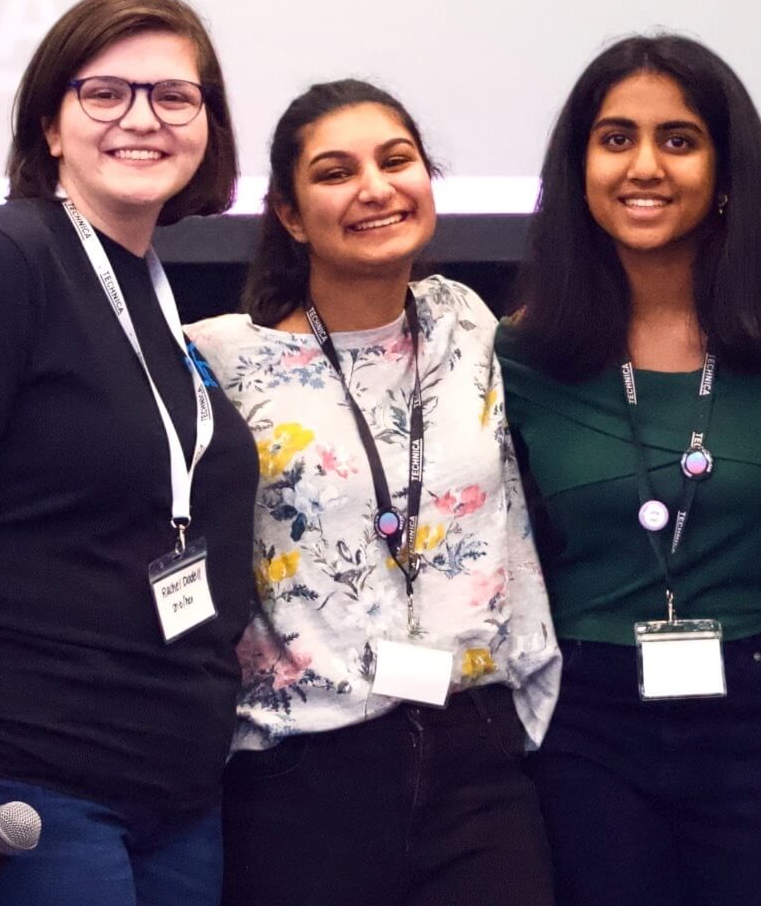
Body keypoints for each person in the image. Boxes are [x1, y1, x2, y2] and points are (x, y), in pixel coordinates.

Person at [0, 0, 257, 906]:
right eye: (104, 93)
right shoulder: (1, 261)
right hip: (18, 785)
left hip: (173, 801)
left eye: (174, 97)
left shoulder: (150, 297)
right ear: (52, 127)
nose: (141, 119)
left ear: (208, 128)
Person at [495, 34, 761, 906]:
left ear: (725, 167)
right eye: (617, 137)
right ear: (580, 166)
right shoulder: (520, 352)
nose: (645, 167)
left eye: (679, 139)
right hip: (588, 722)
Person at [184, 79, 561, 905]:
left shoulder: (468, 322)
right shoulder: (217, 361)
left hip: (478, 760)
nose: (376, 188)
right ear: (289, 214)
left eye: (398, 160)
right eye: (335, 172)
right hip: (304, 771)